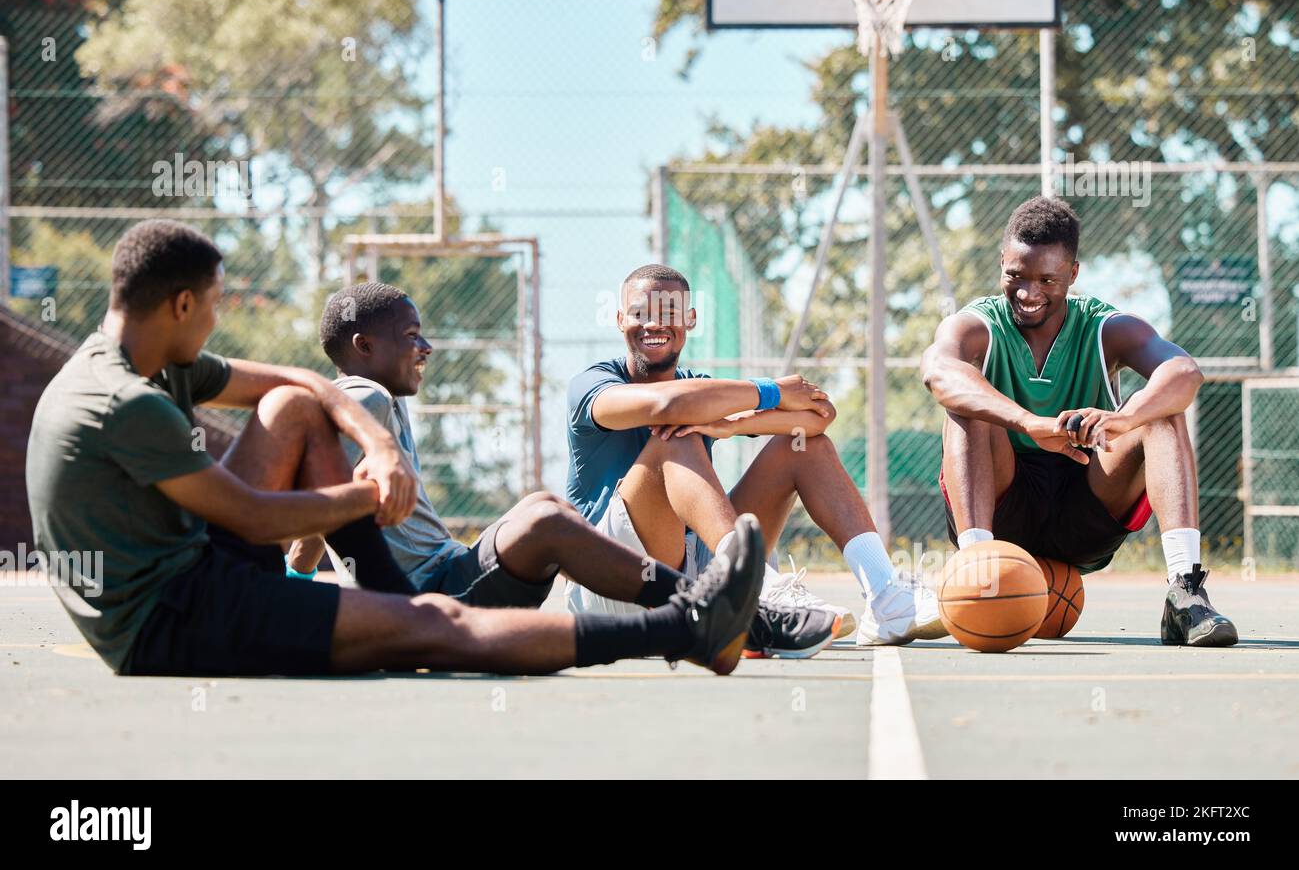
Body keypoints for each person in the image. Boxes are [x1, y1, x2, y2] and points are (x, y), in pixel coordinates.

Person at [25, 220, 766, 678]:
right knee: (438, 628)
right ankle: (683, 626)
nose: (217, 323)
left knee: (293, 404)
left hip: (203, 575)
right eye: (215, 307)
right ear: (181, 304)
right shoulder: (124, 404)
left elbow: (297, 382)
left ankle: (392, 600)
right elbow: (254, 517)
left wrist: (377, 443)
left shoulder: (151, 360)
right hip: (176, 620)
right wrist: (368, 492)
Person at [294, 281, 835, 659]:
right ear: (364, 347)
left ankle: (717, 609)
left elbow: (316, 508)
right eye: (411, 336)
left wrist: (296, 579)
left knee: (542, 507)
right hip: (436, 600)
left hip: (451, 574)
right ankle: (726, 613)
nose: (426, 346)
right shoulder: (362, 395)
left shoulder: (378, 398)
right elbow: (307, 501)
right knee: (546, 522)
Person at [565, 263, 947, 647]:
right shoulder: (592, 386)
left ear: (691, 320)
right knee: (674, 438)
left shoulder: (700, 391)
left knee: (802, 445)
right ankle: (758, 586)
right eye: (639, 313)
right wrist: (771, 392)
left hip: (695, 577)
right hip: (615, 584)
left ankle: (887, 596)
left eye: (669, 314)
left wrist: (728, 425)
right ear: (619, 319)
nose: (653, 324)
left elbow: (818, 418)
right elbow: (665, 406)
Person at [920, 197, 1237, 646]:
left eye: (1046, 279)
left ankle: (1186, 590)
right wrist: (1029, 423)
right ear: (1002, 264)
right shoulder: (979, 323)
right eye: (1016, 276)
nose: (1028, 292)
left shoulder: (1104, 327)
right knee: (967, 404)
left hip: (1082, 505)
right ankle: (976, 570)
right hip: (1003, 508)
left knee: (1162, 412)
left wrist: (1123, 419)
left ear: (1072, 275)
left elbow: (1185, 373)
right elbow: (939, 372)